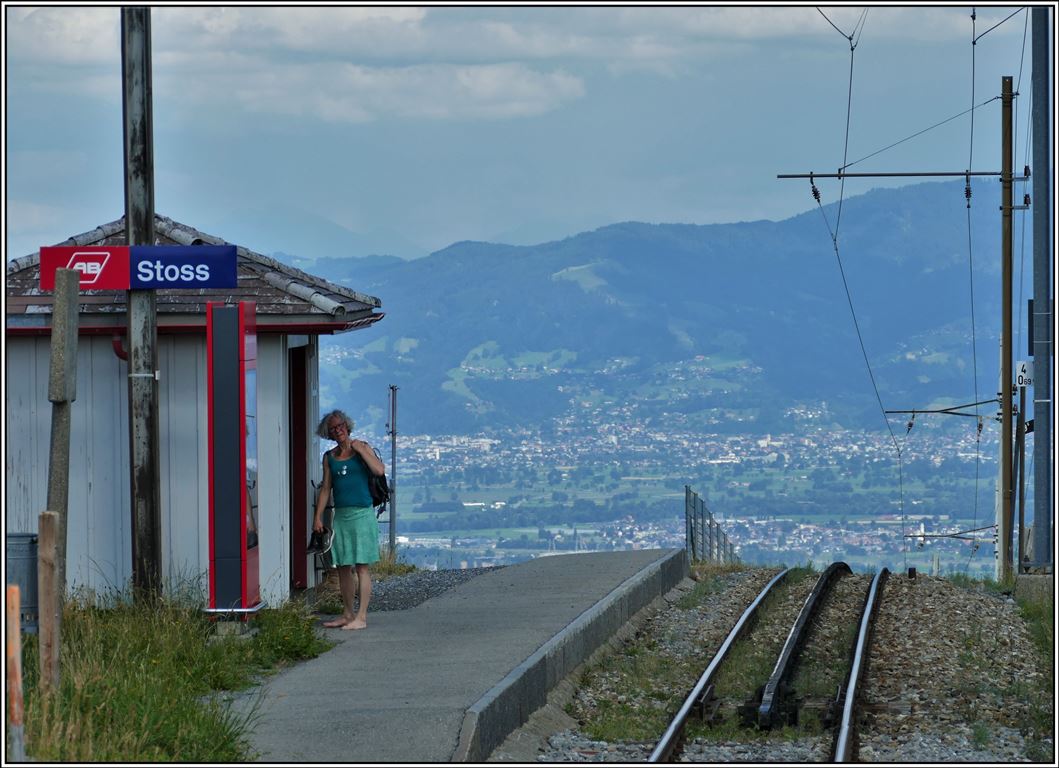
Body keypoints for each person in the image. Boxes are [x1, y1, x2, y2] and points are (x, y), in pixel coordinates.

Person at [313, 409, 385, 630]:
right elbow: (326, 488)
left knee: (362, 566)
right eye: (333, 428)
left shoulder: (361, 447)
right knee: (343, 566)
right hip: (341, 516)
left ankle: (361, 617)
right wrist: (318, 517)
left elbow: (379, 470)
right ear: (328, 433)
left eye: (340, 426)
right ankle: (347, 613)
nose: (338, 430)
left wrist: (361, 450)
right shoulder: (330, 457)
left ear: (347, 425)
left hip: (362, 514)